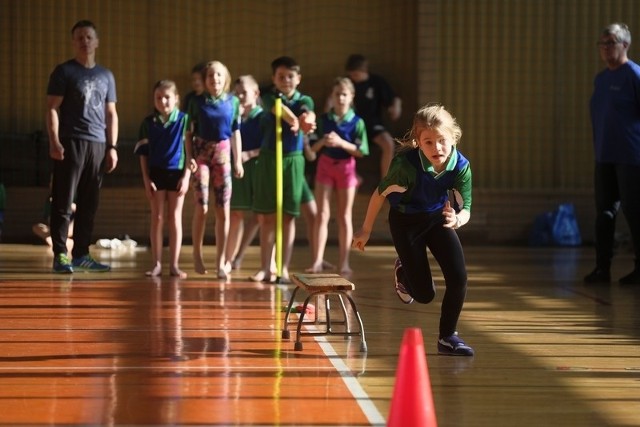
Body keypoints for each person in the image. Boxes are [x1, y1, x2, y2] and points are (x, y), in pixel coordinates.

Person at [352, 103, 474, 356]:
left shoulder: (460, 166)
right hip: (406, 222)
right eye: (428, 142)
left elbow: (466, 208)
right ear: (418, 142)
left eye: (442, 140)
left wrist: (457, 220)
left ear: (454, 138)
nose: (436, 148)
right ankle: (403, 272)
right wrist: (365, 229)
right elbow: (379, 194)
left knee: (459, 277)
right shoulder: (405, 166)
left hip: (437, 218)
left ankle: (447, 337)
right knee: (424, 295)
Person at [45, 20, 118, 274]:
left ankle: (82, 254)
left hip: (98, 144)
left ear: (96, 42)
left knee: (90, 202)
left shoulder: (106, 75)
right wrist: (55, 141)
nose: (84, 41)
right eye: (79, 37)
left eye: (89, 37)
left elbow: (111, 114)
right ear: (73, 42)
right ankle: (60, 254)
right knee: (63, 201)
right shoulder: (64, 72)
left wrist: (112, 147)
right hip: (71, 142)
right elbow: (52, 108)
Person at [584, 22, 640, 286]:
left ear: (625, 45)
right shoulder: (601, 79)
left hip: (631, 157)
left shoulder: (634, 75)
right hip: (604, 156)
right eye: (602, 43)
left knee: (634, 211)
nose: (605, 48)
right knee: (604, 213)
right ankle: (602, 268)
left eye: (611, 43)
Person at [251, 56, 316, 283]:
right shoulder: (269, 97)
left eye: (290, 76)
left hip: (293, 160)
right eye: (281, 76)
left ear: (298, 78)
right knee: (268, 217)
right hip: (269, 160)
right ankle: (266, 267)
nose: (286, 80)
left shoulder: (304, 99)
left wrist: (307, 120)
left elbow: (308, 112)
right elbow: (279, 110)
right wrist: (294, 121)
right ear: (273, 79)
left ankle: (283, 268)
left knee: (288, 217)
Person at [186, 60, 244, 279]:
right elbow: (188, 134)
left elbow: (235, 132)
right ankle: (197, 255)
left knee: (223, 209)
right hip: (201, 155)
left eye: (218, 75)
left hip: (222, 156)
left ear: (225, 77)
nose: (214, 79)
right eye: (210, 75)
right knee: (201, 207)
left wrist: (237, 160)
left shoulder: (233, 102)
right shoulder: (195, 102)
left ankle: (221, 261)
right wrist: (190, 157)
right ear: (204, 80)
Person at [307, 77, 369, 276]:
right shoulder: (323, 120)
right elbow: (311, 149)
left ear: (351, 97)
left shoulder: (357, 122)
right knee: (321, 215)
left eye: (344, 94)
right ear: (331, 97)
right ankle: (317, 261)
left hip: (346, 168)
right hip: (325, 165)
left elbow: (361, 151)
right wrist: (324, 142)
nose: (340, 98)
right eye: (337, 94)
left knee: (344, 216)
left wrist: (342, 143)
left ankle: (344, 263)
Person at [135, 79, 191, 278]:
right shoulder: (148, 123)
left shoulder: (184, 120)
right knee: (157, 218)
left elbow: (190, 151)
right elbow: (143, 153)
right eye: (158, 97)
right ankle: (157, 263)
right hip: (156, 173)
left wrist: (186, 176)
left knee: (174, 218)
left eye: (167, 97)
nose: (163, 101)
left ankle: (174, 265)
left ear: (176, 99)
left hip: (177, 173)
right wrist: (146, 178)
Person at [343, 54, 401, 180]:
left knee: (388, 143)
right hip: (352, 125)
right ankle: (352, 177)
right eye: (351, 75)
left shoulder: (376, 82)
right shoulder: (347, 83)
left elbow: (393, 98)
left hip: (372, 125)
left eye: (356, 75)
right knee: (341, 142)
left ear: (364, 71)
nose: (353, 78)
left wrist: (396, 107)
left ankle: (385, 181)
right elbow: (333, 98)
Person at [226, 75, 263, 270]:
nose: (240, 96)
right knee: (236, 214)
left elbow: (270, 145)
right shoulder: (234, 115)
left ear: (256, 94)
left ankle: (240, 255)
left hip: (258, 168)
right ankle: (228, 260)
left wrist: (250, 153)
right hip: (238, 169)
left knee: (260, 216)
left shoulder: (263, 116)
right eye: (236, 93)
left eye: (244, 92)